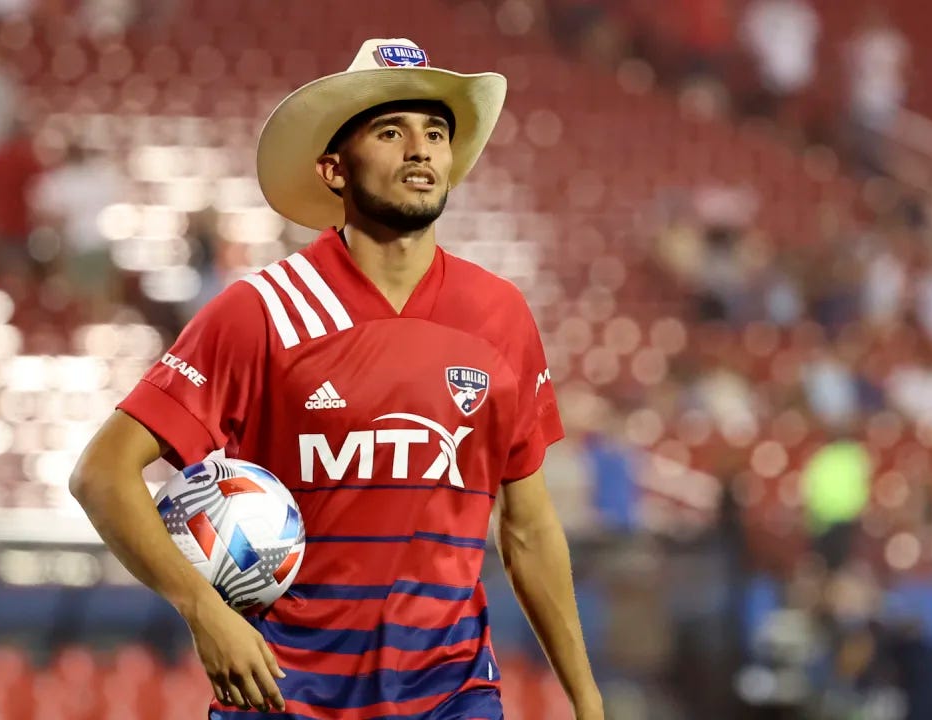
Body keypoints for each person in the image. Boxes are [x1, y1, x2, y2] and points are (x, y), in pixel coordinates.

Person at [70, 38, 605, 719]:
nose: (420, 150)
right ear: (333, 170)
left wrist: (588, 702)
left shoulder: (501, 316)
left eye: (435, 133)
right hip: (285, 698)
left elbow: (527, 528)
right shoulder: (260, 311)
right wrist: (202, 609)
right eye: (391, 132)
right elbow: (102, 473)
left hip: (452, 696)